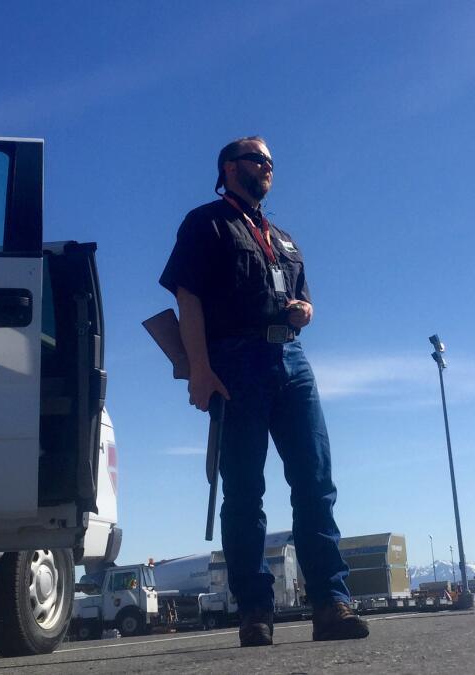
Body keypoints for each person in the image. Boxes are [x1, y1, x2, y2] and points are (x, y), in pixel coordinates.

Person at [159, 136, 369, 647]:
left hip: (292, 360)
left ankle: (329, 603)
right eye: (259, 160)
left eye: (272, 162)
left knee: (315, 482)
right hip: (235, 362)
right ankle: (255, 611)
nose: (268, 169)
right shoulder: (205, 223)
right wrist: (200, 371)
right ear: (230, 168)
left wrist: (305, 311)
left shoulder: (283, 237)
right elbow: (189, 299)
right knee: (244, 492)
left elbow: (305, 298)